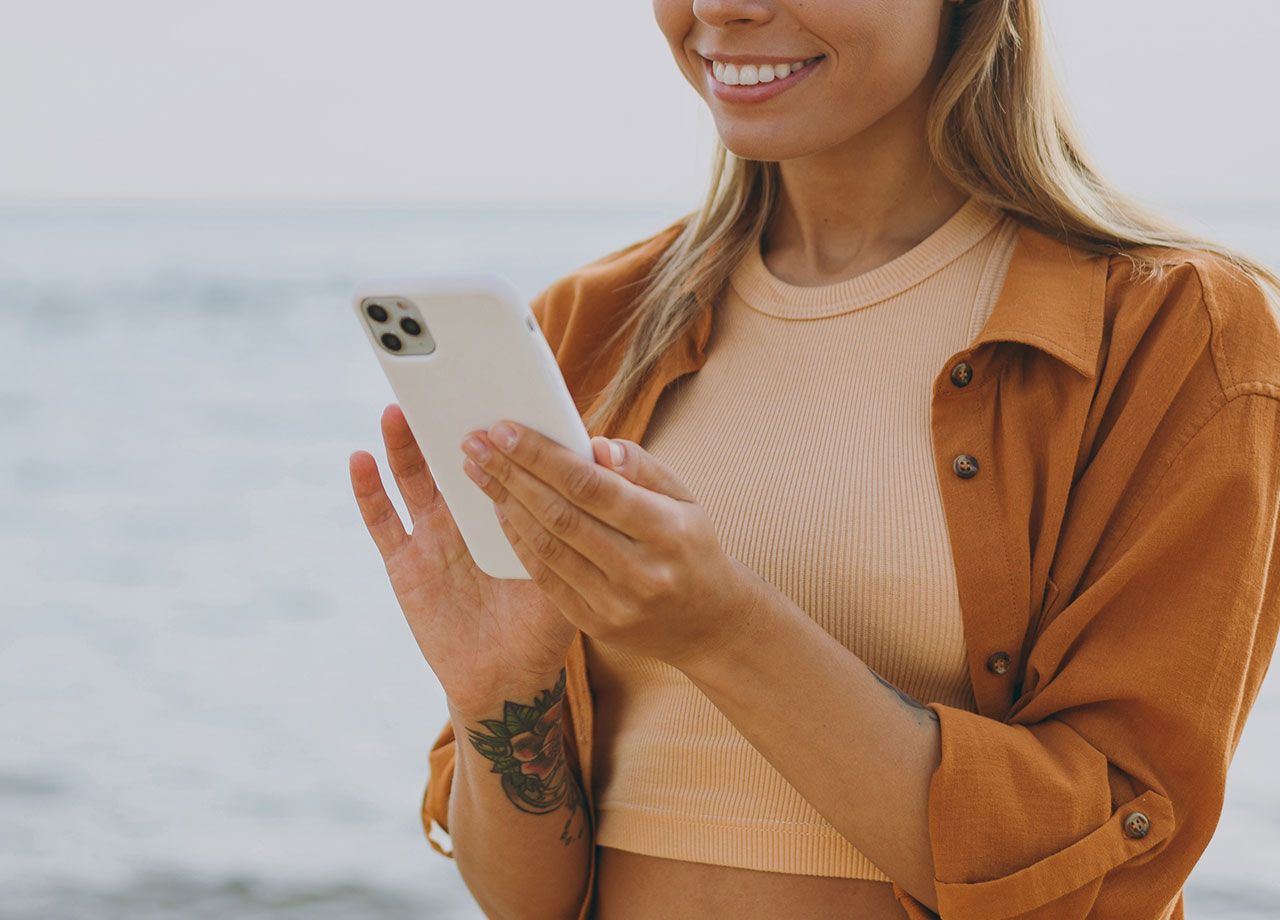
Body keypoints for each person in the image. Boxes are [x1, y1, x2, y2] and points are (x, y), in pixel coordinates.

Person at [348, 1, 1280, 918]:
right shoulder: (592, 326)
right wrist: (500, 694)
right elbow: (524, 901)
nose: (722, 8)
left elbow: (1109, 875)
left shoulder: (1173, 334)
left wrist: (722, 631)